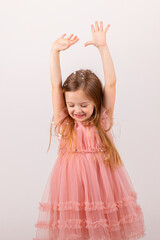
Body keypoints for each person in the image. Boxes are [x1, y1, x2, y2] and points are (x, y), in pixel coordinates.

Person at [33, 21, 146, 240]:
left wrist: (103, 47)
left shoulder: (102, 121)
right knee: (76, 228)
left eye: (83, 105)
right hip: (70, 183)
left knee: (102, 225)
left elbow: (111, 83)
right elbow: (55, 86)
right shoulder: (66, 123)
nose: (76, 110)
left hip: (101, 181)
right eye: (72, 104)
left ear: (96, 102)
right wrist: (54, 52)